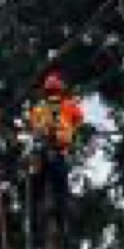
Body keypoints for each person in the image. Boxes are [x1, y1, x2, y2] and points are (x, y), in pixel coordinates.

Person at [26, 67, 84, 238]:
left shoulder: (38, 108)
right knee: (60, 188)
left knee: (37, 184)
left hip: (42, 151)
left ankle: (37, 219)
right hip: (57, 151)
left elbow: (33, 127)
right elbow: (79, 120)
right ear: (61, 89)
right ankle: (61, 223)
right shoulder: (69, 105)